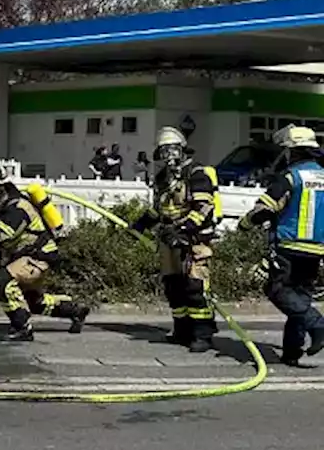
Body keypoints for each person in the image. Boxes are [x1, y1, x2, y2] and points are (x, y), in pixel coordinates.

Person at [237, 125, 324, 366]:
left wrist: (244, 224)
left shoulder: (290, 177)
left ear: (292, 152)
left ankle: (318, 326)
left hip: (289, 245)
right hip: (316, 249)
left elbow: (265, 209)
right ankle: (292, 352)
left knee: (277, 291)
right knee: (300, 299)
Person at [0, 163, 90, 342]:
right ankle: (75, 310)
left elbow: (1, 234)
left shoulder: (18, 207)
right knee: (32, 301)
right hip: (27, 257)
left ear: (0, 186)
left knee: (3, 281)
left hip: (38, 256)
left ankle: (22, 328)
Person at [130, 126, 221, 352]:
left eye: (172, 150)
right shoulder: (162, 179)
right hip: (169, 239)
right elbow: (159, 209)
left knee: (194, 286)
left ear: (182, 150)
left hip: (194, 240)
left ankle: (202, 334)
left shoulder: (196, 174)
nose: (168, 156)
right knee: (173, 286)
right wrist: (141, 224)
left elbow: (204, 208)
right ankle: (182, 329)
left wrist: (183, 230)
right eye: (163, 151)